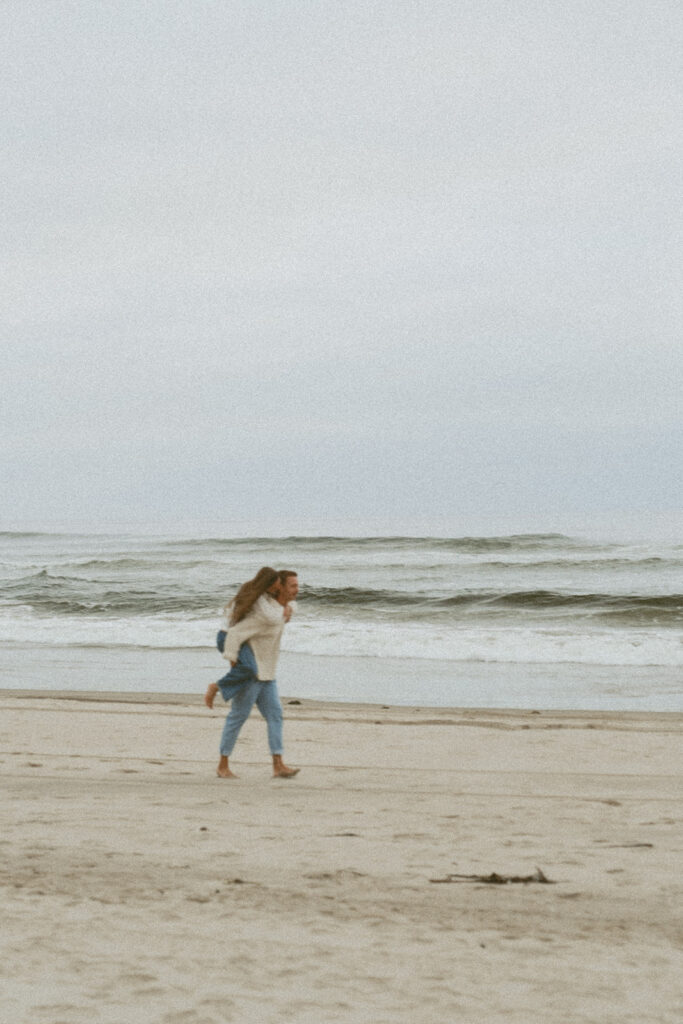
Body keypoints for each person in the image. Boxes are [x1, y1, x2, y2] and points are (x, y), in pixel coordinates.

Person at [204, 566, 299, 779]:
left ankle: (278, 764)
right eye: (292, 585)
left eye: (297, 585)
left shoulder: (281, 610)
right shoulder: (264, 613)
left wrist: (289, 608)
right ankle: (223, 765)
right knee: (238, 716)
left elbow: (291, 607)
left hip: (268, 672)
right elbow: (233, 634)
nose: (297, 589)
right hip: (253, 672)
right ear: (278, 587)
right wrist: (233, 663)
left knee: (275, 716)